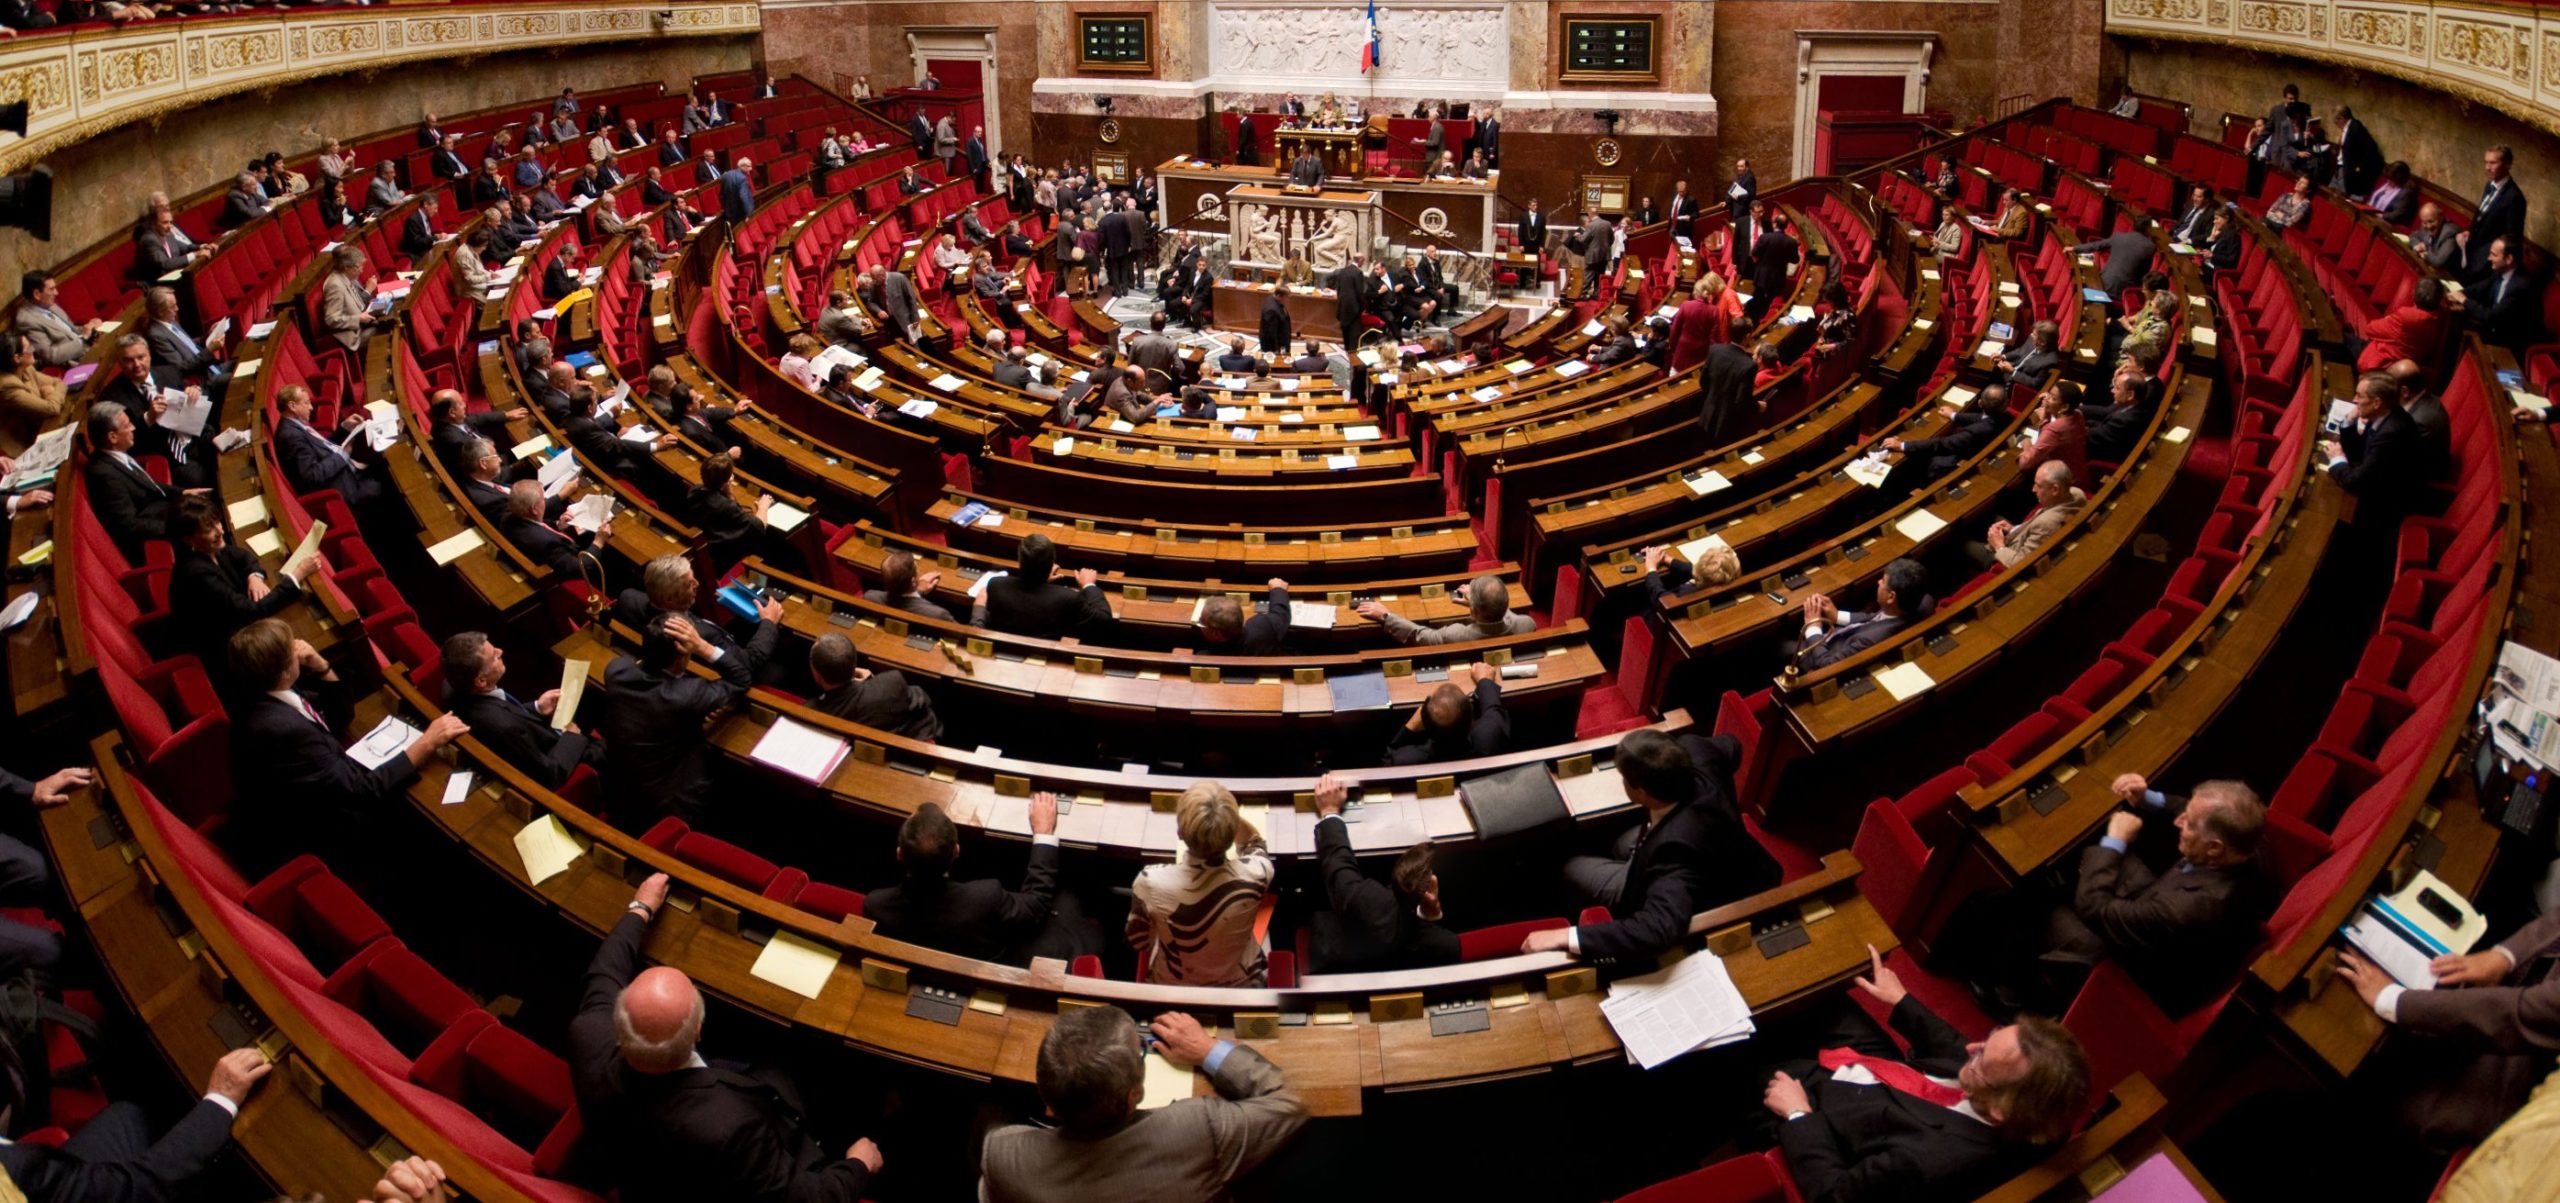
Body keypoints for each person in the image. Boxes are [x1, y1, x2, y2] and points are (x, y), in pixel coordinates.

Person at [568, 873, 884, 1202]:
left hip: (638, 1165)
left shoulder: (588, 1036)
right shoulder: (729, 1126)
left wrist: (641, 908)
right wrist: (857, 1164)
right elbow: (810, 1198)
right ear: (699, 1031)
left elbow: (605, 970)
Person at [1759, 948, 2091, 1203]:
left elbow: (1835, 1195)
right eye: (1991, 1036)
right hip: (1892, 1077)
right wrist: (1900, 1000)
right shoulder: (2044, 1109)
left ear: (2000, 1110)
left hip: (1827, 1108)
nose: (1971, 1046)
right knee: (1820, 992)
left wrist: (1798, 1116)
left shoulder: (1924, 1162)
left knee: (1747, 1052)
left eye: (1981, 1060)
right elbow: (1963, 1049)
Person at [979, 1005, 1306, 1202]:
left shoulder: (1001, 1155)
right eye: (1142, 1052)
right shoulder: (1197, 1131)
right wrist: (1208, 1050)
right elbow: (1294, 1098)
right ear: (1134, 1094)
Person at [1522, 727, 1782, 962]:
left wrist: (1566, 936)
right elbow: (1733, 745)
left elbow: (1658, 928)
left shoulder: (1675, 854)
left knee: (1568, 866)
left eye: (1623, 777)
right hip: (1706, 841)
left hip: (1702, 879)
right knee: (1617, 841)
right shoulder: (1696, 749)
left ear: (1642, 792)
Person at [226, 619, 467, 854]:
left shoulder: (267, 690)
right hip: (323, 833)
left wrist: (321, 666)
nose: (299, 644)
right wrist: (427, 742)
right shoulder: (283, 730)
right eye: (292, 647)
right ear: (285, 670)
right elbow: (361, 791)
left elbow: (338, 715)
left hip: (327, 782)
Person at [2336, 895, 2560, 1145]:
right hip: (2533, 981)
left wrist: (2393, 1000)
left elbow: (2520, 1013)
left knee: (2378, 1093)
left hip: (2531, 1077)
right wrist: (2504, 956)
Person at [0, 1045, 274, 1203]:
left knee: (128, 1119)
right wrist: (221, 1099)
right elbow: (137, 1187)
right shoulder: (17, 1170)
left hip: (44, 1182)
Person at [863, 795, 1102, 965]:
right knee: (1068, 898)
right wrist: (1044, 833)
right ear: (957, 851)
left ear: (899, 855)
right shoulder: (986, 897)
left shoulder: (876, 905)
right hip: (1002, 964)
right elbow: (1036, 904)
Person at [598, 612, 751, 828]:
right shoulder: (687, 694)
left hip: (621, 787)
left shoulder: (616, 671)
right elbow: (741, 678)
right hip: (669, 801)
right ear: (681, 655)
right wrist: (701, 645)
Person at [1126, 782, 1276, 986]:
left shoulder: (1149, 881)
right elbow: (1254, 843)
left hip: (1172, 984)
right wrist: (1223, 816)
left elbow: (1139, 942)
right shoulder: (1258, 872)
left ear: (1180, 833)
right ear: (1231, 837)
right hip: (1242, 982)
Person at [165, 493, 316, 663]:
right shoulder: (196, 573)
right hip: (225, 652)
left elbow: (243, 556)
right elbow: (251, 611)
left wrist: (254, 577)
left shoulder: (206, 549)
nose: (220, 530)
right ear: (189, 540)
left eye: (217, 522)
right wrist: (297, 576)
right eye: (209, 528)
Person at [441, 630, 599, 790]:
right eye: (494, 656)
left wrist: (537, 708)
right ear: (481, 681)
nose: (500, 651)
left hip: (535, 735)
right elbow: (550, 774)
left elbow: (507, 712)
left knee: (592, 696)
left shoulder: (452, 687)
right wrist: (571, 736)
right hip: (560, 754)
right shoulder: (504, 727)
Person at [615, 554, 780, 678]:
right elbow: (749, 662)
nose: (697, 584)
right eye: (689, 584)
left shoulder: (628, 598)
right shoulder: (700, 635)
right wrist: (768, 622)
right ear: (669, 599)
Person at [2322, 370, 2426, 531]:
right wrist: (2350, 420)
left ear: (2377, 402)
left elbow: (2355, 482)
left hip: (2383, 509)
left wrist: (2337, 460)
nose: (2354, 400)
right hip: (2374, 486)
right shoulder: (2384, 414)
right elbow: (2359, 452)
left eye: (2359, 396)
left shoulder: (2392, 433)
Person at [1793, 557, 1934, 671]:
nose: (1879, 582)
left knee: (1779, 646)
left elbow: (1826, 665)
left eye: (1883, 581)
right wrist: (1837, 616)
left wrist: (1813, 627)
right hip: (1843, 634)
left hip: (1825, 652)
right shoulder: (1922, 601)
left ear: (1891, 597)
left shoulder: (1868, 640)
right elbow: (1875, 619)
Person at [807, 631, 941, 742]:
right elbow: (922, 699)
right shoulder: (891, 685)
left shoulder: (813, 711)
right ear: (853, 664)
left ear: (817, 675)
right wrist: (873, 681)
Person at [980, 533, 1111, 638]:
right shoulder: (1068, 598)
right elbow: (1104, 621)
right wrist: (1089, 585)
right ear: (1052, 562)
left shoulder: (996, 585)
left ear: (1019, 559)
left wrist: (1040, 580)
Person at [1383, 664, 1509, 766]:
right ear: (1472, 719)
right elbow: (1493, 708)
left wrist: (1410, 727)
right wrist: (1485, 680)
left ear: (1425, 725)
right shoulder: (1490, 737)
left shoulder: (1407, 760)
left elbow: (1386, 761)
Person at [1355, 572, 1529, 644]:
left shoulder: (1456, 635)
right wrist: (1478, 602)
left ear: (1474, 611)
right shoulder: (1527, 624)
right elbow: (1503, 610)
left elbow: (1420, 635)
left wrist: (1387, 616)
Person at [1972, 461, 2084, 570]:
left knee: (1962, 543)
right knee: (1986, 516)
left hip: (2004, 555)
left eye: (2039, 486)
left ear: (2055, 489)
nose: (2033, 489)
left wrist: (1998, 546)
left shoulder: (2046, 523)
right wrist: (2012, 529)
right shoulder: (2076, 493)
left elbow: (2020, 563)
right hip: (2019, 537)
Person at [2455, 235, 2539, 350]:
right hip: (2494, 327)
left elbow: (2491, 317)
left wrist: (2464, 300)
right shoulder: (2500, 271)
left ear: (2509, 259)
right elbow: (2480, 288)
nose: (2489, 258)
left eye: (2493, 255)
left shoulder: (2520, 286)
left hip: (2509, 342)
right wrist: (2457, 292)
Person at [2358, 277, 2449, 373]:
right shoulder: (2438, 316)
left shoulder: (2407, 317)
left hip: (2380, 365)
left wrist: (2388, 319)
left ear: (2413, 294)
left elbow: (2370, 329)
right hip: (2394, 360)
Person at [14, 270, 99, 369]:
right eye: (51, 289)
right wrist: (84, 339)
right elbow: (50, 356)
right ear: (37, 294)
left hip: (89, 347)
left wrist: (90, 327)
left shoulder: (49, 305)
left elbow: (69, 330)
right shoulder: (27, 321)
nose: (57, 293)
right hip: (79, 360)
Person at [2463, 145, 2526, 275]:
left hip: (2487, 262)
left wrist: (2486, 257)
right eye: (2486, 162)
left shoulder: (2515, 197)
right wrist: (2469, 232)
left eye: (2493, 163)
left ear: (2507, 164)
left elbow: (2511, 238)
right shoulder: (2489, 185)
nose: (2487, 168)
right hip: (2471, 251)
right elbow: (2481, 215)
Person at [0, 330, 64, 457]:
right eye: (29, 348)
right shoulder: (7, 386)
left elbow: (59, 382)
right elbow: (52, 408)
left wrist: (51, 395)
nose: (33, 350)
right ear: (17, 358)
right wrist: (49, 394)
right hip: (23, 445)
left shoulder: (26, 368)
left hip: (41, 427)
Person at [1700, 315, 1759, 444]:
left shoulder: (1715, 350)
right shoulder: (1749, 365)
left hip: (1707, 413)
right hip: (1727, 424)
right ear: (1747, 336)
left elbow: (1703, 382)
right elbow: (1742, 400)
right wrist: (1757, 406)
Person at [1197, 578, 1290, 655]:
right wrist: (1278, 590)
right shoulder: (1263, 626)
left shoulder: (1206, 657)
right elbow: (1281, 614)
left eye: (1201, 622)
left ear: (1217, 634)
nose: (1198, 621)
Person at [2073, 223, 2156, 297]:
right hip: (2122, 293)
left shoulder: (2119, 237)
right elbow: (2143, 273)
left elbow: (2096, 245)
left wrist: (2074, 249)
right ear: (2148, 228)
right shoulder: (2150, 247)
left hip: (2103, 282)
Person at [1746, 214, 1799, 323]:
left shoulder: (1765, 237)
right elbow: (1795, 260)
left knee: (1757, 298)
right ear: (1786, 226)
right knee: (1769, 303)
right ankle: (1764, 321)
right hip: (1778, 278)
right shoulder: (1791, 242)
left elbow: (1754, 253)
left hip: (1761, 275)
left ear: (1774, 224)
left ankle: (1753, 322)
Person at [2331, 105, 2383, 197]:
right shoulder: (2348, 128)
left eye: (2336, 122)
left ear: (2342, 119)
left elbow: (2371, 148)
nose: (2337, 126)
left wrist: (2360, 167)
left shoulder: (2355, 127)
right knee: (2331, 194)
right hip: (2341, 167)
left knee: (2340, 197)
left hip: (2348, 170)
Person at [1999, 319, 2062, 390]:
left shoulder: (2050, 361)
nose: (2031, 335)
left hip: (2017, 386)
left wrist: (2012, 372)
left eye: (2034, 335)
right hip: (2007, 373)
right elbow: (2019, 352)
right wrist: (2003, 357)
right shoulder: (2032, 340)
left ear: (2042, 342)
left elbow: (2035, 383)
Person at [2410, 201, 2462, 271]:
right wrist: (2417, 246)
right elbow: (2413, 236)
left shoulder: (2450, 233)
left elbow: (2438, 262)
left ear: (2441, 217)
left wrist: (2425, 252)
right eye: (2424, 223)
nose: (2428, 226)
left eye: (2431, 221)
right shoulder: (2426, 224)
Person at [1577, 211, 1613, 298]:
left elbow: (1583, 240)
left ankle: (1583, 293)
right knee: (1600, 274)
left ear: (1590, 215)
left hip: (1593, 255)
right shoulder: (1607, 223)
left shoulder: (1591, 225)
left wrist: (1578, 236)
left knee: (1589, 274)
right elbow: (1612, 239)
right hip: (1604, 255)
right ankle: (1596, 294)